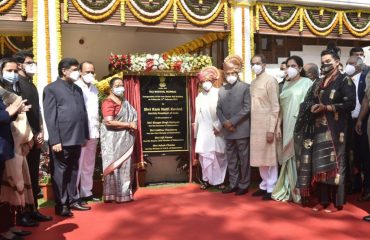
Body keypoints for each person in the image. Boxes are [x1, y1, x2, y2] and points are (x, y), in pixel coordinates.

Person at [296, 48, 356, 212]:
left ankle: (338, 201)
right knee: (320, 163)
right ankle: (323, 201)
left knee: (338, 164)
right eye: (323, 62)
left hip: (337, 129)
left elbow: (350, 104)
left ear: (337, 62)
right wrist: (313, 106)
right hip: (318, 128)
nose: (325, 65)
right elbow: (309, 101)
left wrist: (327, 107)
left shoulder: (345, 81)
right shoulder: (320, 82)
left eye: (328, 62)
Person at [43, 58, 90, 217]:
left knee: (74, 170)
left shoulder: (77, 88)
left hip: (77, 137)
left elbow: (82, 113)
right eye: (75, 69)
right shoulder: (51, 89)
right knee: (61, 172)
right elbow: (50, 116)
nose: (78, 72)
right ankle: (62, 204)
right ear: (64, 70)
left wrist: (84, 136)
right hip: (61, 140)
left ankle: (73, 200)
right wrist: (55, 140)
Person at [13, 50, 52, 224]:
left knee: (33, 178)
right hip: (23, 137)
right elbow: (21, 114)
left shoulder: (31, 84)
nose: (32, 65)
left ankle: (34, 209)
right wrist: (32, 135)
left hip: (36, 136)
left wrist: (41, 131)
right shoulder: (16, 85)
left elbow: (37, 111)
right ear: (19, 64)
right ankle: (22, 215)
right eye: (29, 62)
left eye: (33, 62)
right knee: (22, 177)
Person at [272, 56, 312, 203]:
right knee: (287, 156)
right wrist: (278, 126)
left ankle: (299, 191)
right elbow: (281, 109)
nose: (290, 68)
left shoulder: (307, 83)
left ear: (300, 68)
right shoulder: (286, 85)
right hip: (286, 124)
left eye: (293, 65)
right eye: (288, 65)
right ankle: (287, 188)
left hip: (300, 124)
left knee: (297, 156)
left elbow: (309, 106)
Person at [216, 55, 251, 196]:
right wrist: (225, 122)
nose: (230, 76)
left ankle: (244, 184)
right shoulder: (222, 89)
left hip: (241, 129)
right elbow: (218, 109)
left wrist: (233, 122)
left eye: (233, 74)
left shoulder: (245, 87)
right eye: (228, 74)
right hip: (228, 131)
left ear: (237, 73)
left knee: (244, 159)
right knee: (231, 158)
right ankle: (233, 183)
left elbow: (247, 108)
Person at [0, 86, 31, 240]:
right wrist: (8, 112)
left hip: (4, 148)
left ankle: (7, 227)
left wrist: (15, 112)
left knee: (4, 194)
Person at [101, 77, 137, 203]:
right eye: (117, 85)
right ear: (111, 88)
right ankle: (112, 194)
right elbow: (109, 121)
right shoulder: (108, 102)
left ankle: (124, 193)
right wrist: (128, 125)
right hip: (113, 141)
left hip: (125, 140)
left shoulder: (124, 102)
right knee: (114, 166)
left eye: (121, 85)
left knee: (125, 166)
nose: (120, 87)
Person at [250, 54, 280, 200]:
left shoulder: (271, 81)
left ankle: (271, 188)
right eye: (253, 63)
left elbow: (275, 107)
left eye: (258, 63)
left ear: (264, 65)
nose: (255, 66)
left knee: (270, 158)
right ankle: (264, 185)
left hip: (268, 124)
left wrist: (271, 129)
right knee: (259, 158)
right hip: (255, 126)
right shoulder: (253, 83)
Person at [194, 66, 227, 190]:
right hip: (203, 130)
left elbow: (224, 111)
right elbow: (198, 116)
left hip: (217, 129)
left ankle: (219, 181)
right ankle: (206, 179)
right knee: (205, 157)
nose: (204, 84)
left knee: (218, 156)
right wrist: (196, 133)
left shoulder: (219, 92)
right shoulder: (199, 96)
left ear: (212, 81)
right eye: (202, 82)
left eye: (206, 81)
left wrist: (219, 126)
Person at [344, 56, 370, 198]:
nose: (349, 66)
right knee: (352, 155)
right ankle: (355, 184)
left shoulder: (365, 77)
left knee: (364, 154)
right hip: (348, 122)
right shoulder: (344, 80)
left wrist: (360, 119)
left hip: (363, 122)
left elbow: (366, 100)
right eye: (347, 63)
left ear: (359, 66)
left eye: (352, 64)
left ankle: (367, 187)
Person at [74, 61, 100, 203]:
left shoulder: (95, 88)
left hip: (94, 131)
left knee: (89, 163)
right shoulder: (76, 87)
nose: (90, 74)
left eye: (92, 71)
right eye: (87, 72)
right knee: (78, 163)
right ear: (80, 72)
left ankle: (87, 192)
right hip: (81, 132)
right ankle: (76, 194)